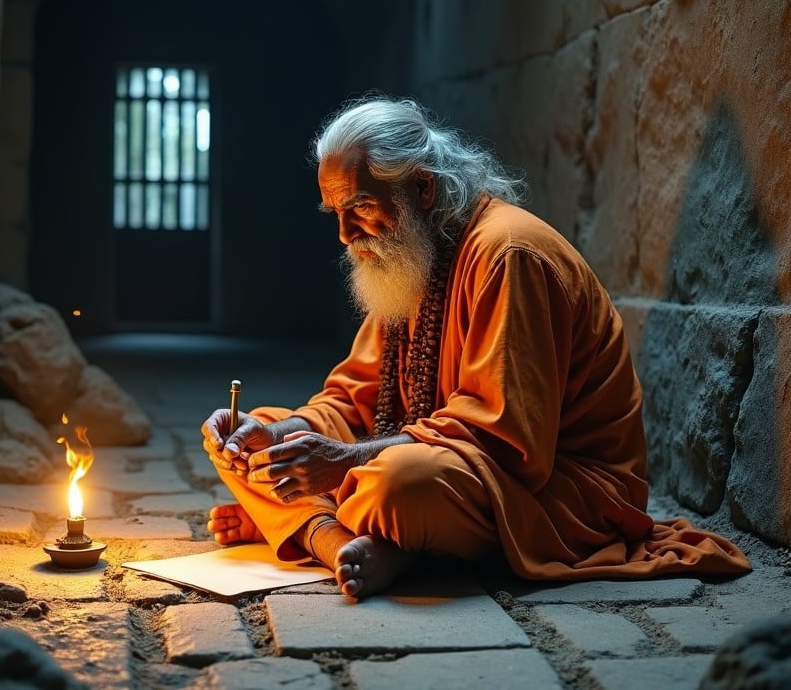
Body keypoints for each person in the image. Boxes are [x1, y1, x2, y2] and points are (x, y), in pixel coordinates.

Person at [200, 93, 751, 600]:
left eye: (360, 208)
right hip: (452, 462)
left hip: (561, 491)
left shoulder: (508, 254)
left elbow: (507, 443)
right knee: (259, 443)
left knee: (398, 486)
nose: (345, 235)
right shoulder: (409, 258)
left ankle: (310, 526)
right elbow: (352, 401)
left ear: (422, 188)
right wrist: (276, 435)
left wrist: (340, 463)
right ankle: (347, 542)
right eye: (335, 215)